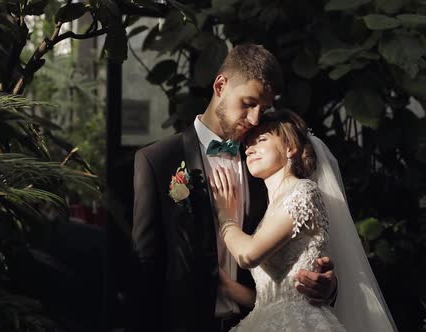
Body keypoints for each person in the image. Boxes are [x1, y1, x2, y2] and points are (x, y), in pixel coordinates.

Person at [131, 44, 337, 332]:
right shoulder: (158, 161)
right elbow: (144, 267)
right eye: (248, 103)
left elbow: (300, 246)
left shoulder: (266, 163)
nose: (254, 119)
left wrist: (326, 288)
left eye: (262, 109)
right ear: (220, 85)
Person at [210, 110, 397, 331]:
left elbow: (248, 255)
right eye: (247, 144)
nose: (249, 149)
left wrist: (225, 215)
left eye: (260, 140)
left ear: (290, 148)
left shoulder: (303, 193)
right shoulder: (269, 207)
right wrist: (221, 282)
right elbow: (271, 300)